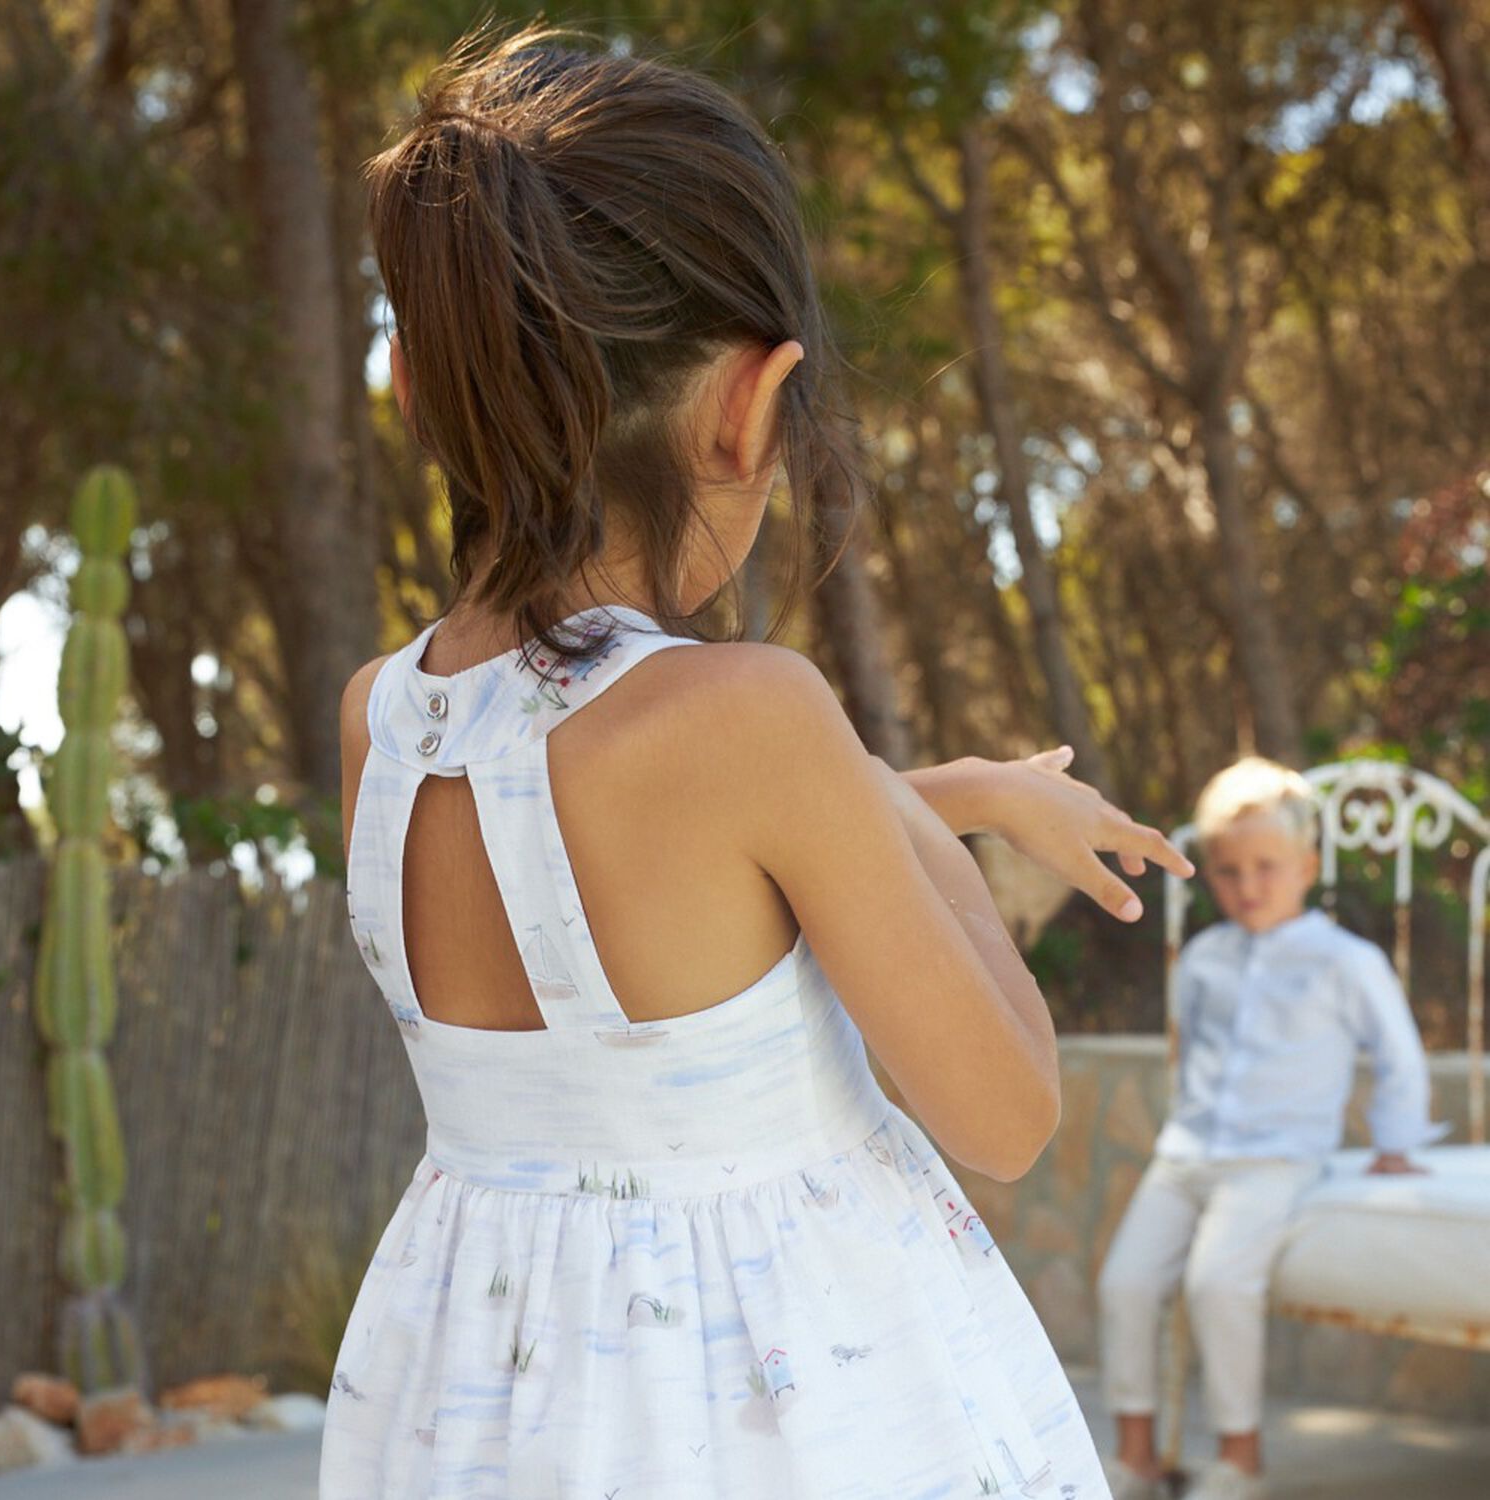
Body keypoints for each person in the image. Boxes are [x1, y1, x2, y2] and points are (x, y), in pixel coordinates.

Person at [319, 19, 1196, 1498]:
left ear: (419, 390)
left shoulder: (383, 718)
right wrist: (954, 840)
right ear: (751, 403)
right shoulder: (753, 715)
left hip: (480, 1398)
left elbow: (645, 871)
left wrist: (964, 792)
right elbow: (1008, 1115)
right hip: (766, 1402)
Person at [1097, 756, 1449, 1500]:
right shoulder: (1201, 959)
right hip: (1187, 1153)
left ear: (1307, 865)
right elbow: (1193, 1050)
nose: (1248, 886)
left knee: (1218, 1283)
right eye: (1228, 871)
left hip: (1275, 1160)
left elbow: (1397, 1053)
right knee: (1125, 1282)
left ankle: (1241, 1460)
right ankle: (1137, 1459)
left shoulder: (1346, 962)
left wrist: (1395, 1141)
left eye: (1267, 867)